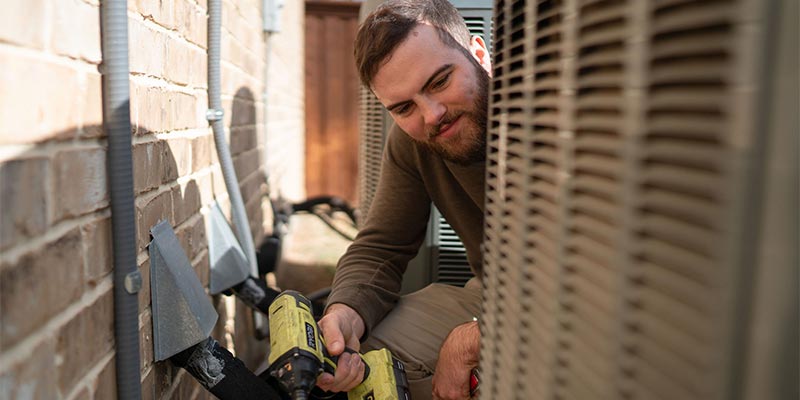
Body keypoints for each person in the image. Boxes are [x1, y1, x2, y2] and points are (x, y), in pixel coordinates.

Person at [317, 1, 492, 399]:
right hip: (496, 293)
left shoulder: (557, 114)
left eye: (440, 81)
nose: (431, 116)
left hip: (591, 298)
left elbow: (600, 276)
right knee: (369, 357)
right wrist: (345, 313)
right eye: (404, 107)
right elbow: (382, 246)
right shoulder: (413, 143)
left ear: (479, 54)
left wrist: (472, 341)